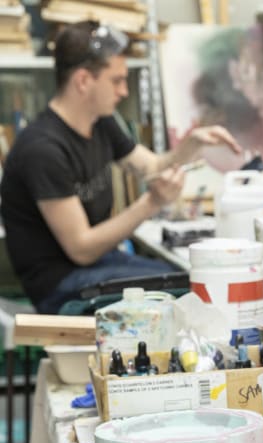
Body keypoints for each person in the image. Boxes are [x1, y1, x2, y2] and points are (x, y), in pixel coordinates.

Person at [0, 21, 242, 314]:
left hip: (99, 264)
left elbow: (152, 166)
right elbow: (82, 248)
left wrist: (192, 144)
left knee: (180, 274)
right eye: (116, 81)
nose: (124, 91)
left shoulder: (99, 122)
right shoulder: (43, 149)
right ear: (83, 81)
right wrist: (152, 202)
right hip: (60, 287)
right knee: (184, 292)